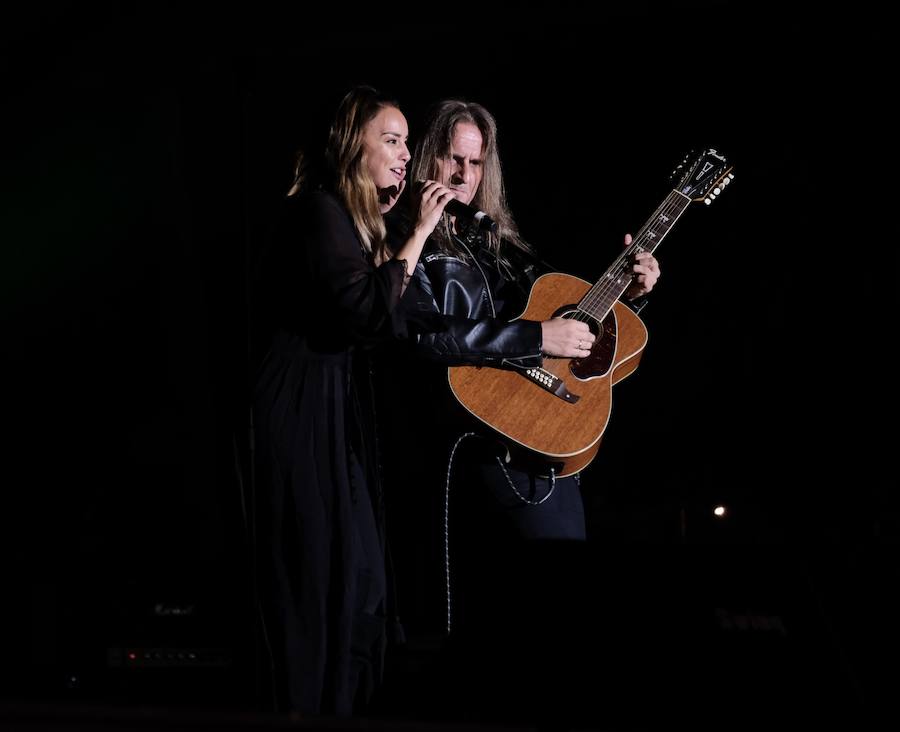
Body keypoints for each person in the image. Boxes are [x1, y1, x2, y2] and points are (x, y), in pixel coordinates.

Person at [380, 99, 661, 722]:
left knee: (566, 622)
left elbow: (575, 329)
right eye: (453, 157)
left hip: (545, 438)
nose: (462, 174)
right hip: (474, 446)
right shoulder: (406, 239)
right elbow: (423, 334)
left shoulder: (498, 241)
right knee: (514, 625)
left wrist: (631, 297)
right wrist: (536, 339)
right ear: (426, 155)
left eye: (476, 162)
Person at [251, 86, 454, 716]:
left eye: (406, 144)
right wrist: (416, 230)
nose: (405, 157)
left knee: (361, 580)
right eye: (391, 141)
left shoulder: (348, 219)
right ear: (351, 144)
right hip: (299, 407)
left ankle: (340, 708)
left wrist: (398, 231)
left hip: (333, 414)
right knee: (318, 579)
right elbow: (369, 312)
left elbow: (407, 317)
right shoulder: (317, 212)